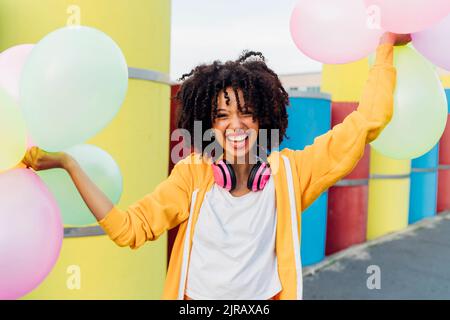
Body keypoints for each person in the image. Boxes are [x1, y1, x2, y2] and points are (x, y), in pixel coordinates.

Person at [21, 32, 411, 300]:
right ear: (209, 124)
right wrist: (69, 164)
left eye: (246, 112)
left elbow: (367, 122)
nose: (235, 125)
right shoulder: (192, 174)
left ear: (263, 119)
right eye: (221, 115)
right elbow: (129, 230)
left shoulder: (290, 175)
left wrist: (384, 47)